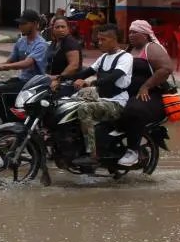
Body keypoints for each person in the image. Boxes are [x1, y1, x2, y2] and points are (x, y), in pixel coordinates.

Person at [56, 24, 136, 168]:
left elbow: (113, 77)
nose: (99, 43)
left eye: (102, 40)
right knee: (69, 100)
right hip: (102, 96)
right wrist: (60, 79)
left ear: (113, 39)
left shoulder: (126, 57)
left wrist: (91, 82)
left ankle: (92, 154)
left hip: (116, 102)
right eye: (98, 40)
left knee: (84, 109)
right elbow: (85, 73)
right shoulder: (104, 57)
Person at [123, 20, 174, 149]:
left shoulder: (151, 48)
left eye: (135, 32)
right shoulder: (129, 49)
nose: (130, 35)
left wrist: (146, 86)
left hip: (151, 94)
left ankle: (133, 151)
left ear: (145, 35)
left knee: (133, 110)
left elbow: (166, 69)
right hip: (128, 93)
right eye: (130, 32)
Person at [0, 9, 50, 95]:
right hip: (22, 80)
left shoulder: (41, 44)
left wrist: (3, 67)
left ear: (35, 24)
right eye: (20, 24)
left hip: (34, 84)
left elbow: (27, 63)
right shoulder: (21, 41)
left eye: (24, 24)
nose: (20, 27)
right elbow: (9, 62)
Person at [45, 15, 83, 93]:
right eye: (57, 27)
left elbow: (74, 65)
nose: (60, 29)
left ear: (68, 29)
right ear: (53, 29)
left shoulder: (70, 42)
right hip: (53, 80)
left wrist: (58, 79)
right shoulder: (55, 42)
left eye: (63, 27)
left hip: (67, 83)